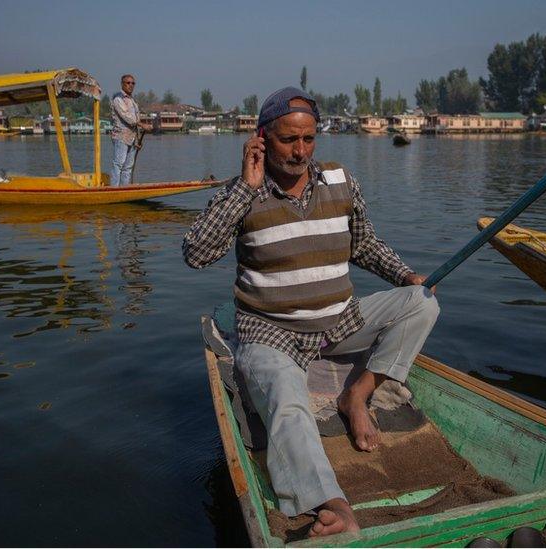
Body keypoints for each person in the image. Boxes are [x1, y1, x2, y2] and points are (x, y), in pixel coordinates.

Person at [182, 87, 439, 537]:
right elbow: (197, 254)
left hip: (338, 321)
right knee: (287, 398)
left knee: (422, 303)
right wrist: (246, 186)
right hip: (270, 332)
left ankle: (356, 394)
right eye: (287, 140)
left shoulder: (341, 181)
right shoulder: (243, 193)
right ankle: (330, 501)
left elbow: (365, 245)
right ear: (262, 139)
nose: (300, 151)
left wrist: (405, 277)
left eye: (308, 139)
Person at [110, 74, 151, 186]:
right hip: (121, 136)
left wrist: (138, 140)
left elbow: (136, 119)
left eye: (133, 83)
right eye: (128, 83)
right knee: (118, 164)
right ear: (122, 84)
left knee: (128, 167)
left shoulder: (132, 101)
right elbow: (127, 117)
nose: (131, 85)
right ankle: (114, 189)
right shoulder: (118, 99)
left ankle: (124, 189)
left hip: (132, 137)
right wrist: (142, 125)